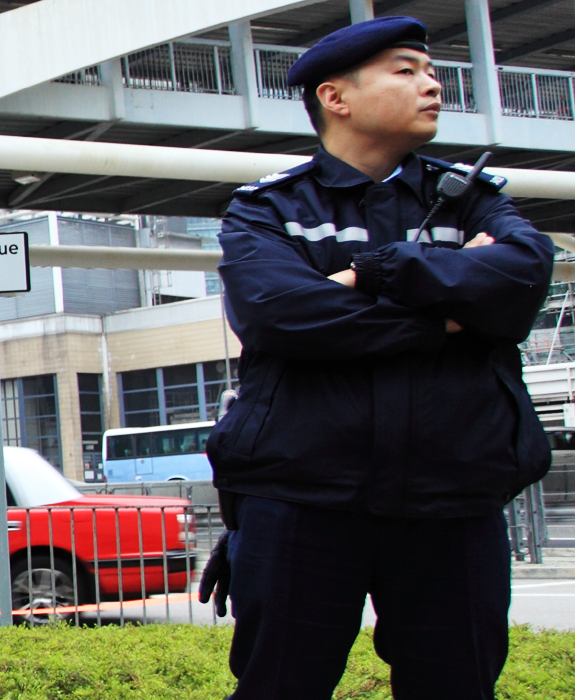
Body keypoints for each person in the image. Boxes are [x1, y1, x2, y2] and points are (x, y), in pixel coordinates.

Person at [199, 16, 554, 700]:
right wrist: (448, 316)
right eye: (406, 69)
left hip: (452, 501)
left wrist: (373, 271)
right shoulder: (267, 209)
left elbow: (520, 282)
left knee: (459, 686)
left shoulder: (473, 197)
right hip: (300, 498)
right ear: (336, 97)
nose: (432, 82)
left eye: (430, 69)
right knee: (280, 686)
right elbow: (280, 315)